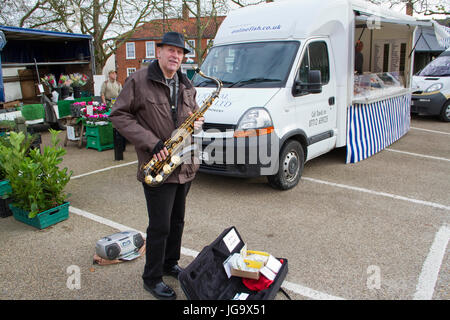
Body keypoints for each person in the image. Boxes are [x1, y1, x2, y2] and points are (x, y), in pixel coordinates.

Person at [109, 32, 204, 300]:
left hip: (184, 165)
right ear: (159, 52)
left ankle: (169, 264)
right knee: (160, 225)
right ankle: (151, 277)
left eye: (180, 52)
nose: (176, 56)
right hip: (157, 165)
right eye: (170, 50)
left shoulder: (187, 84)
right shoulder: (139, 80)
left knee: (177, 222)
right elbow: (118, 115)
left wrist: (197, 123)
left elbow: (193, 114)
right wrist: (152, 143)